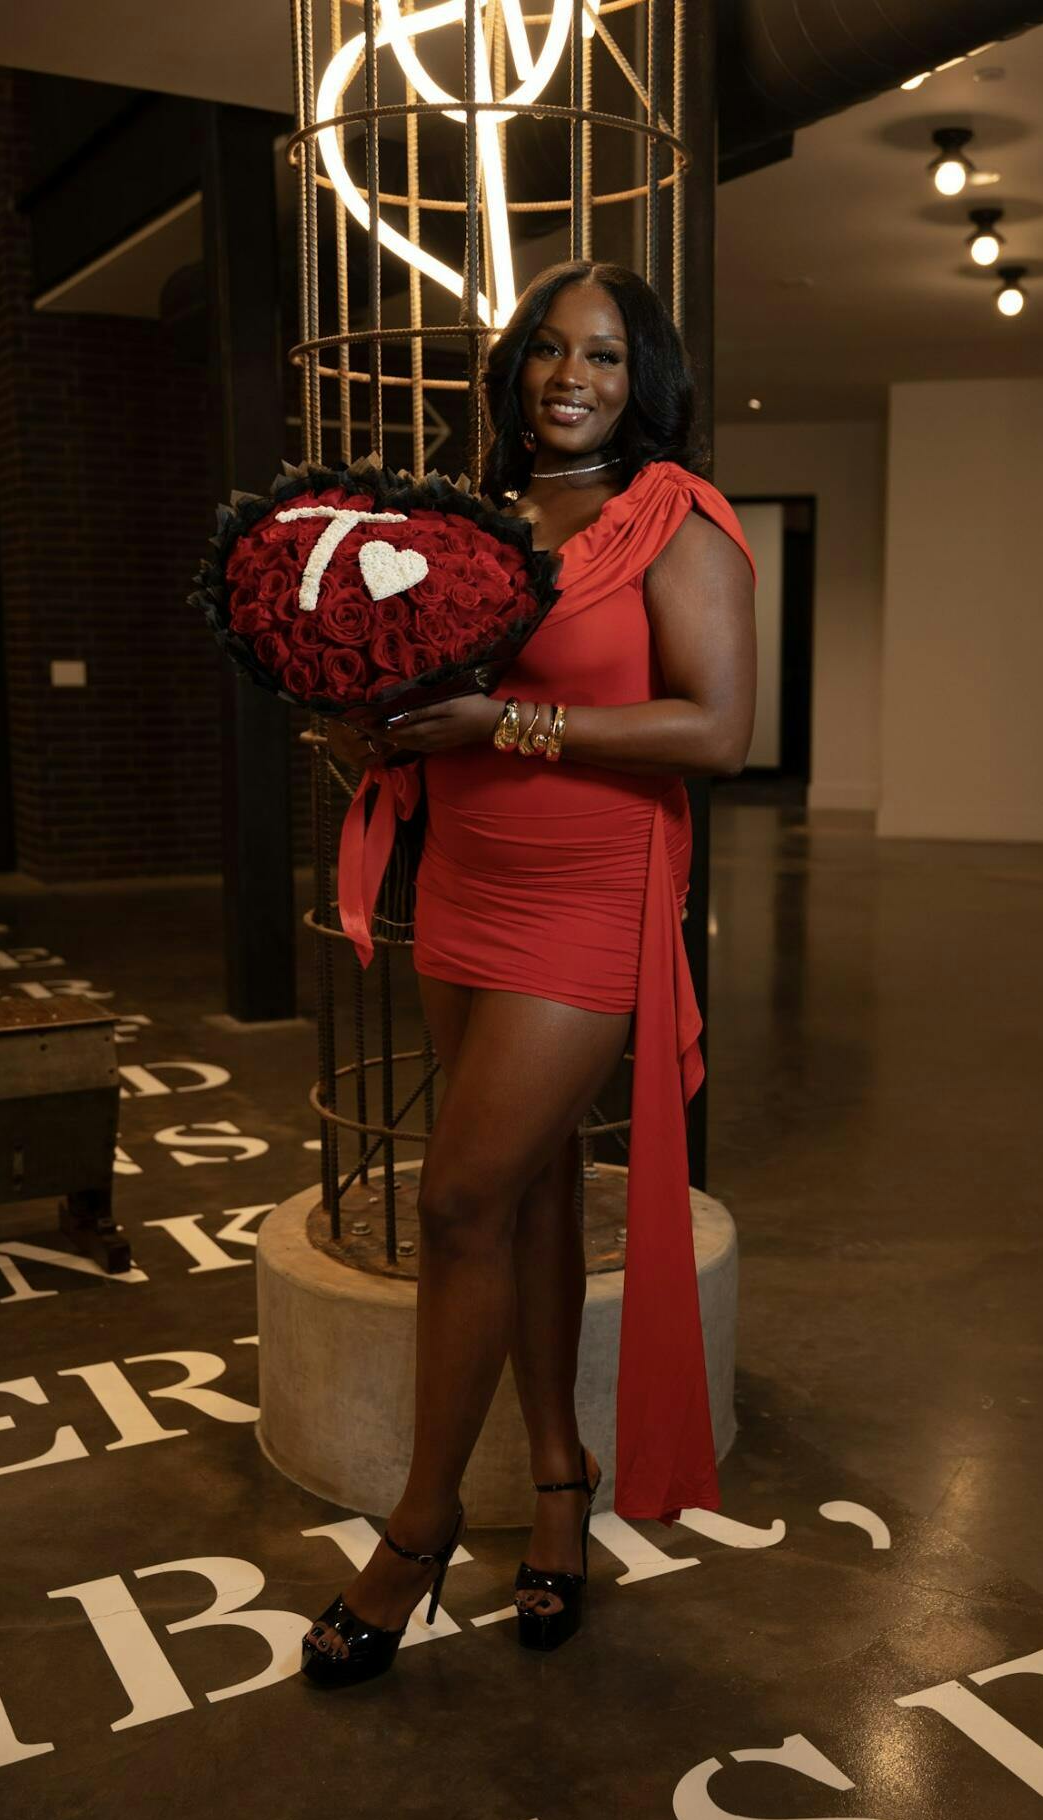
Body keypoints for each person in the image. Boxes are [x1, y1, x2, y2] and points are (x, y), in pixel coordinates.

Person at [302, 259, 756, 1686]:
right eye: (551, 349)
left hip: (586, 895)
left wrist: (504, 725)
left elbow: (716, 731)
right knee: (534, 1186)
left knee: (456, 1200)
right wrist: (375, 719)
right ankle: (561, 1479)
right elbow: (431, 691)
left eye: (605, 355)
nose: (573, 377)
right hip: (467, 880)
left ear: (643, 377)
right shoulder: (473, 517)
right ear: (515, 370)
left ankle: (419, 1528)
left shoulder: (675, 517)